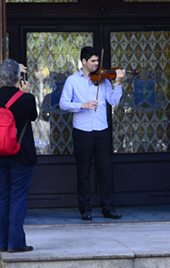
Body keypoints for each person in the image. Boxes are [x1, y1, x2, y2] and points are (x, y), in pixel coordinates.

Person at [59, 46, 125, 220]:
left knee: (105, 170)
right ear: (84, 62)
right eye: (93, 61)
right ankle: (85, 209)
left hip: (101, 130)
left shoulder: (104, 80)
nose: (97, 64)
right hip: (82, 131)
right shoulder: (72, 80)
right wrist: (82, 105)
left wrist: (118, 83)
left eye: (97, 61)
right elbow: (63, 103)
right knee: (84, 171)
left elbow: (113, 101)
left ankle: (108, 208)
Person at [0, 59, 38, 253]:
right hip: (21, 155)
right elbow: (33, 116)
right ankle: (16, 243)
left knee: (3, 197)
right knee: (18, 198)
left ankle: (2, 243)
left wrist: (3, 70)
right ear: (18, 78)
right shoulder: (26, 98)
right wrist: (26, 92)